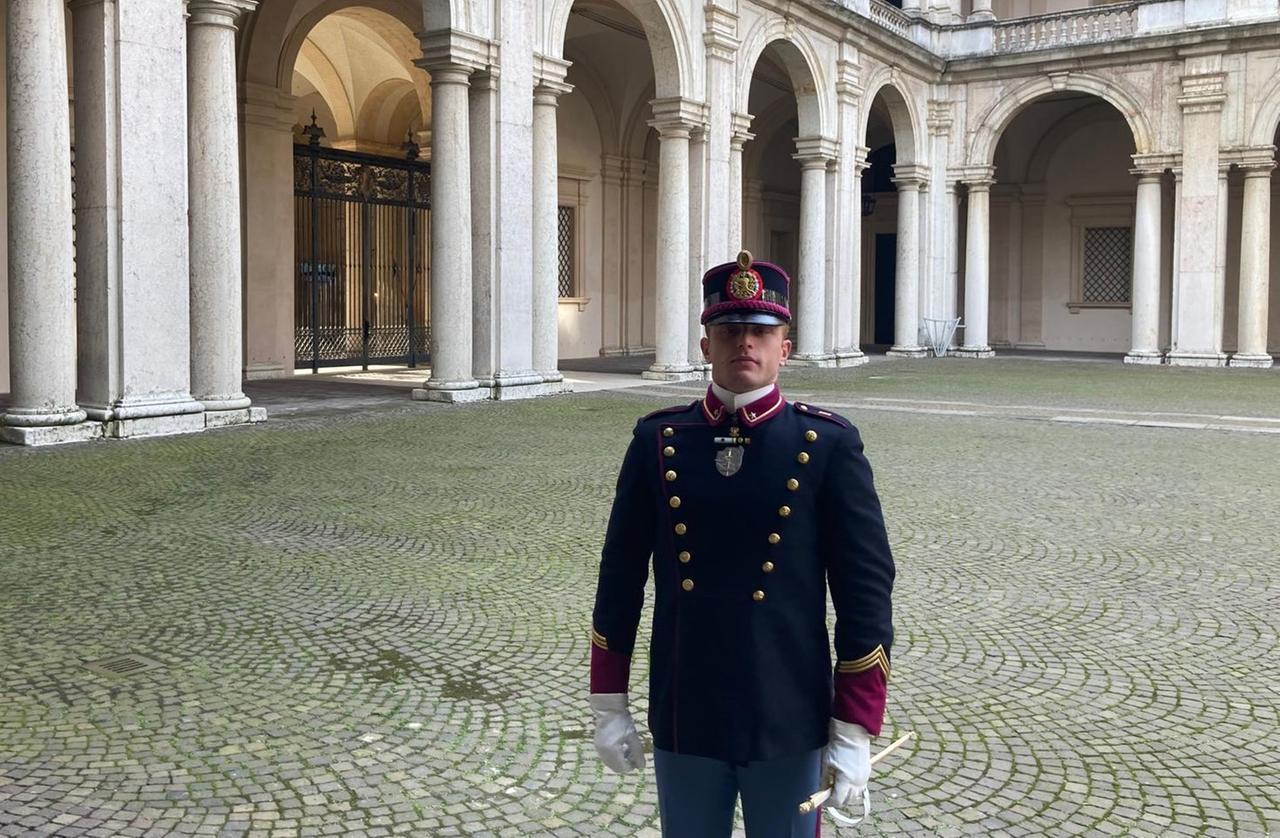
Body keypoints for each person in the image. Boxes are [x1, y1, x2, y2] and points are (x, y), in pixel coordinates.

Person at [587, 251, 897, 837]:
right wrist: (609, 705)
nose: (744, 344)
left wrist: (854, 728)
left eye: (761, 331)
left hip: (788, 714)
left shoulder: (828, 445)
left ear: (785, 345)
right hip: (686, 707)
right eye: (729, 331)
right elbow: (619, 579)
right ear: (706, 345)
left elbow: (866, 593)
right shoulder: (658, 440)